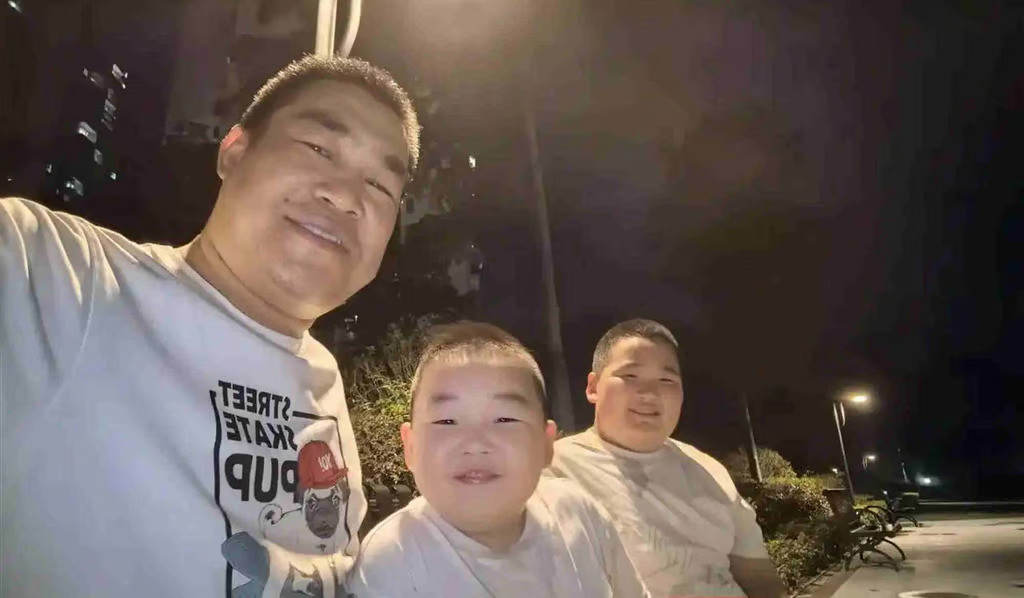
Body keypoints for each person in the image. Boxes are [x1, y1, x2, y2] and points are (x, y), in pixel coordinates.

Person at [0, 54, 419, 597]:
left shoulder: (323, 379)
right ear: (235, 151)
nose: (345, 195)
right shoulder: (62, 277)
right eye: (318, 148)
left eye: (379, 185)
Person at [348, 321, 650, 598]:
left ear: (546, 445)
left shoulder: (579, 515)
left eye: (505, 419)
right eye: (446, 421)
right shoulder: (392, 560)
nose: (475, 444)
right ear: (410, 447)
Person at [548, 319, 787, 598]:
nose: (650, 393)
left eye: (666, 380)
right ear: (593, 387)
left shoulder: (708, 470)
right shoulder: (551, 470)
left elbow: (761, 581)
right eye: (630, 376)